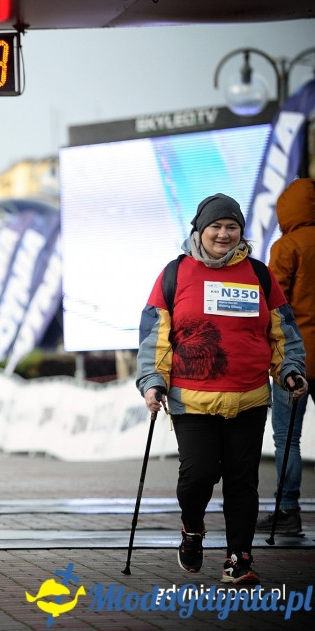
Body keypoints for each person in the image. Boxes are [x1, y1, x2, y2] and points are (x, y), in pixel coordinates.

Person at [136, 193, 307, 586]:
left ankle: (238, 559)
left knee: (242, 480)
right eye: (216, 226)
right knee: (197, 477)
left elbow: (283, 333)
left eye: (232, 227)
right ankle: (192, 529)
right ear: (200, 229)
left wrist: (290, 371)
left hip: (248, 398)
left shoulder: (260, 275)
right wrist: (152, 382)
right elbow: (156, 338)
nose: (224, 234)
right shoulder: (175, 274)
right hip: (191, 401)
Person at [257, 178, 315, 536]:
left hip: (297, 358)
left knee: (288, 438)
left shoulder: (287, 246)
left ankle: (288, 512)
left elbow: (273, 305)